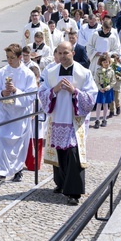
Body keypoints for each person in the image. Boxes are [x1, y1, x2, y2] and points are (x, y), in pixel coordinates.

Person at [39, 41, 98, 205]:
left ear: (73, 52)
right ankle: (62, 183)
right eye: (60, 53)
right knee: (60, 153)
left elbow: (92, 96)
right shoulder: (51, 72)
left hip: (74, 120)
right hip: (57, 118)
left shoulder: (83, 73)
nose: (63, 56)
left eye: (66, 53)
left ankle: (74, 192)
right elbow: (42, 93)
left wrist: (74, 91)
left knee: (73, 154)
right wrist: (54, 90)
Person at [0, 44, 37, 183]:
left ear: (19, 57)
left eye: (12, 58)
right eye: (7, 57)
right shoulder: (3, 72)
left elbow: (31, 95)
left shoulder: (28, 74)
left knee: (19, 144)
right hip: (5, 112)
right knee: (1, 140)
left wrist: (16, 91)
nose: (9, 60)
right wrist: (2, 93)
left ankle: (18, 170)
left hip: (20, 114)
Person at [93, 53, 116, 129]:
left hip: (108, 89)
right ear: (101, 63)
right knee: (99, 104)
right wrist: (100, 88)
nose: (106, 63)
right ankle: (97, 120)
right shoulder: (98, 71)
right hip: (101, 89)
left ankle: (104, 119)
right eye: (104, 62)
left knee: (106, 105)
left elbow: (113, 81)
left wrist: (108, 87)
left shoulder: (111, 71)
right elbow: (96, 81)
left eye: (107, 62)